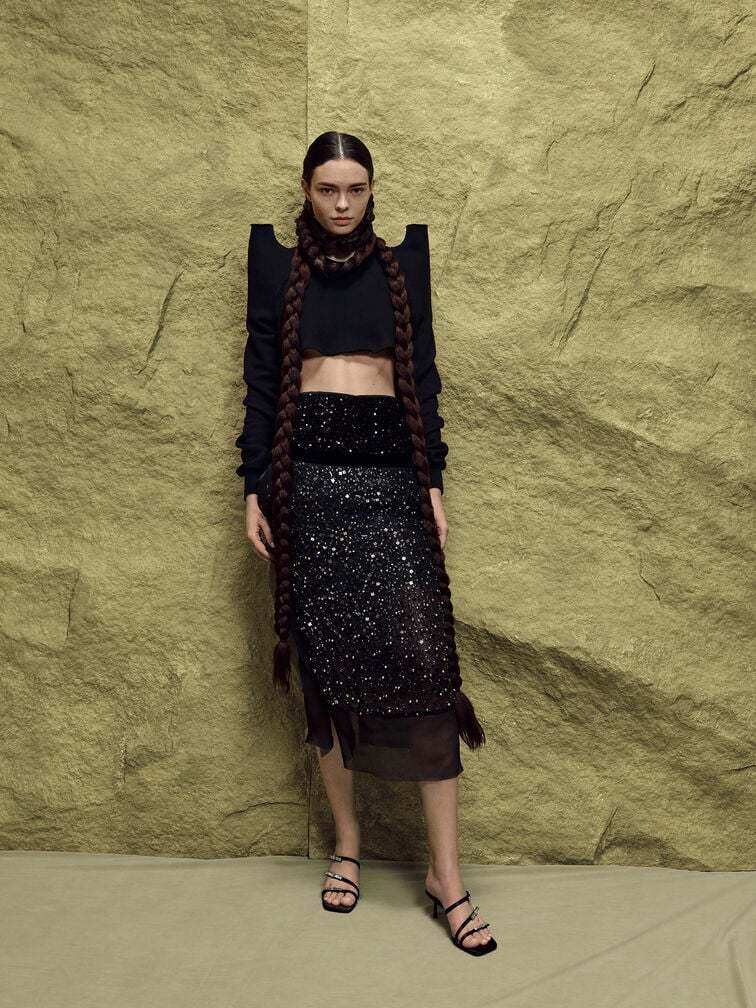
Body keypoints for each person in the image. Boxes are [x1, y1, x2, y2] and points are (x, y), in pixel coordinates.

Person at [235, 131, 496, 955]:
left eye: (355, 189)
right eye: (327, 190)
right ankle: (346, 844)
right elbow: (261, 383)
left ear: (373, 189)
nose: (342, 204)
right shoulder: (277, 267)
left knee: (426, 668)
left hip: (391, 483)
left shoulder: (403, 266)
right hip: (307, 488)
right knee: (329, 672)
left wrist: (432, 483)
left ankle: (446, 875)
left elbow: (424, 378)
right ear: (305, 190)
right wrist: (253, 487)